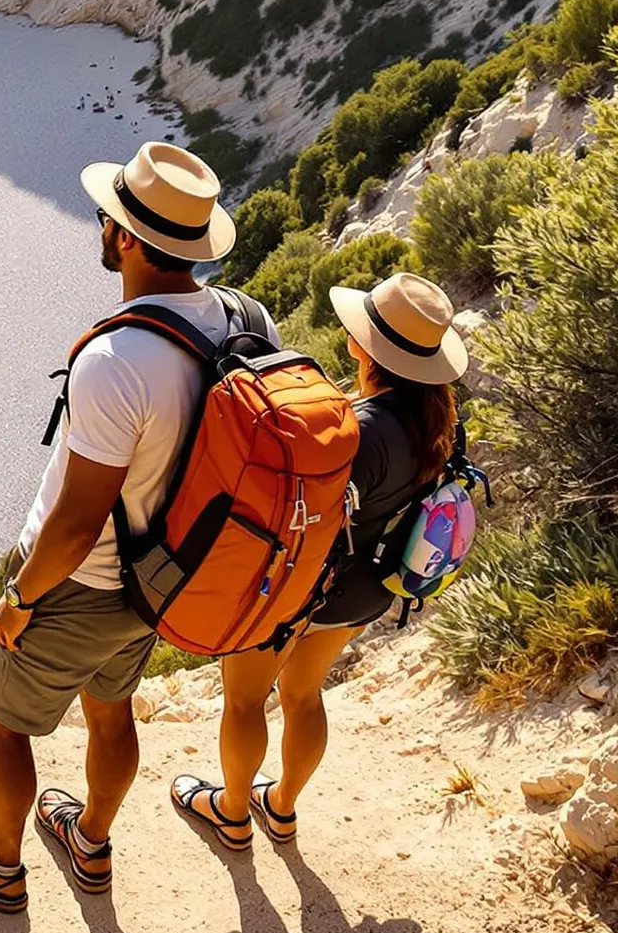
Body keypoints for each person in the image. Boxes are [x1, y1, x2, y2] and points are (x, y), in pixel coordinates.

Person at [0, 141, 273, 914]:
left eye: (109, 218)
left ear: (130, 240)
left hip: (81, 584)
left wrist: (20, 598)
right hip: (161, 579)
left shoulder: (116, 359)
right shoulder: (246, 316)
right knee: (112, 711)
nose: (100, 225)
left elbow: (75, 524)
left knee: (2, 723)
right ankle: (91, 841)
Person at [178, 270, 467, 849]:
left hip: (302, 587)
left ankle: (233, 812)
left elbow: (301, 509)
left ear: (365, 348)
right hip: (367, 589)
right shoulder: (439, 422)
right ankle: (280, 806)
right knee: (303, 695)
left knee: (243, 699)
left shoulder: (359, 429)